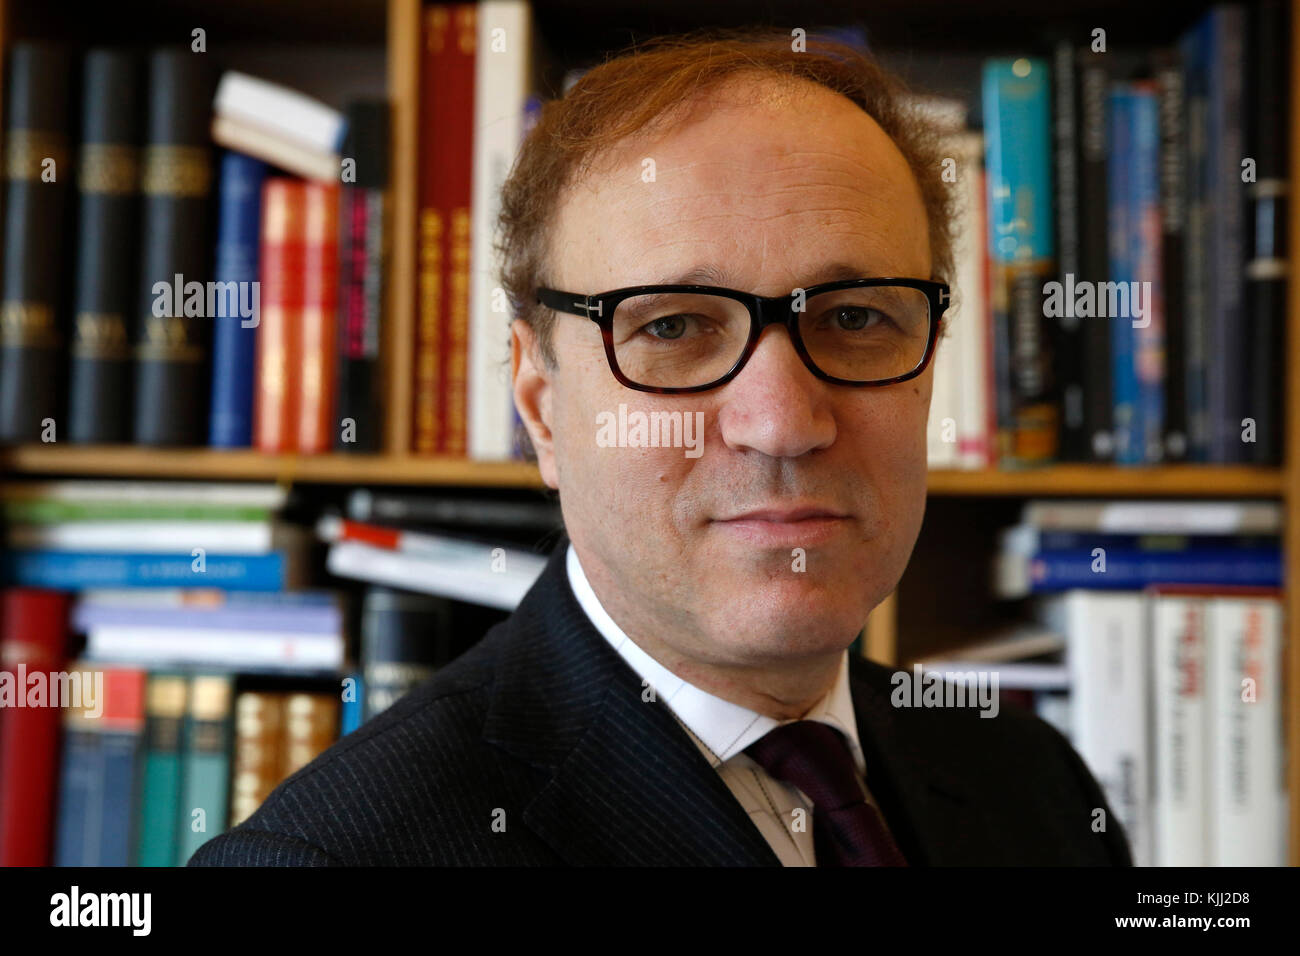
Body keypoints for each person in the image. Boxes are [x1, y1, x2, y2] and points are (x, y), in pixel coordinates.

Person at [191, 30, 1131, 867]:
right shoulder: (329, 858)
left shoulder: (1033, 783)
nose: (782, 421)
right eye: (675, 328)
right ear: (542, 405)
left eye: (854, 317)